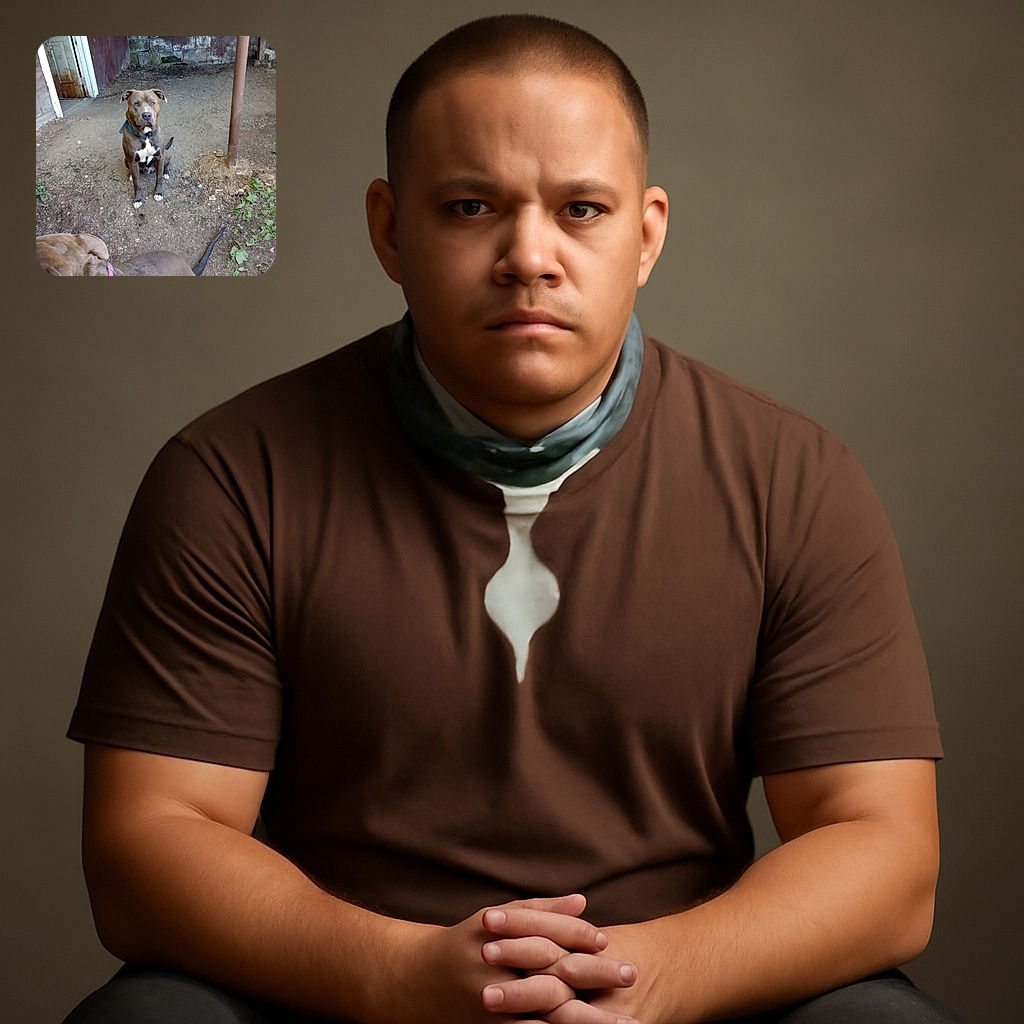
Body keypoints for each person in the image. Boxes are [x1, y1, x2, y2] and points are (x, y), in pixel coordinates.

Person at [63, 14, 963, 1024]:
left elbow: (885, 854)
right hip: (341, 994)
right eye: (468, 206)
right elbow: (147, 846)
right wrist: (399, 976)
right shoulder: (230, 477)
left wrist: (650, 979)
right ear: (392, 229)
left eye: (580, 209)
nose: (527, 255)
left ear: (647, 233)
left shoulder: (795, 480)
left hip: (686, 996)